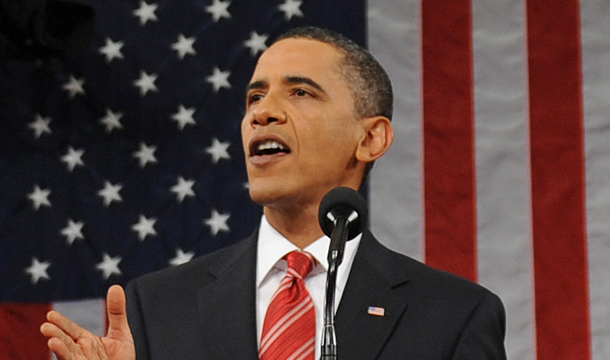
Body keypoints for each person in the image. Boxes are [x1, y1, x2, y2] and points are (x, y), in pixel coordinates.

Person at [40, 26, 507, 360]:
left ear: (371, 139)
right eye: (255, 98)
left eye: (301, 93)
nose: (263, 113)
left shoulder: (453, 316)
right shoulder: (159, 306)